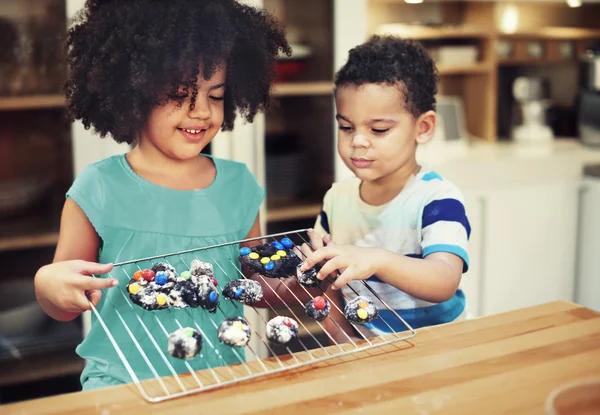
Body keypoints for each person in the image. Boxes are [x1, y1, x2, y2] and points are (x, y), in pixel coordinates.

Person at [34, 0, 293, 391]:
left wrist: (303, 279)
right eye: (179, 93)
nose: (201, 112)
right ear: (132, 91)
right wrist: (47, 285)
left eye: (216, 95)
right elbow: (64, 301)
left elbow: (254, 287)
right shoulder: (99, 186)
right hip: (122, 388)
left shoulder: (239, 186)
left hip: (219, 382)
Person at [300, 35, 471, 342]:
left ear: (423, 128)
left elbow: (444, 280)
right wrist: (346, 347)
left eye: (378, 129)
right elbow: (329, 285)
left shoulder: (437, 199)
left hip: (441, 348)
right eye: (346, 127)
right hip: (370, 350)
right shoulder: (336, 200)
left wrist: (377, 259)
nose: (358, 141)